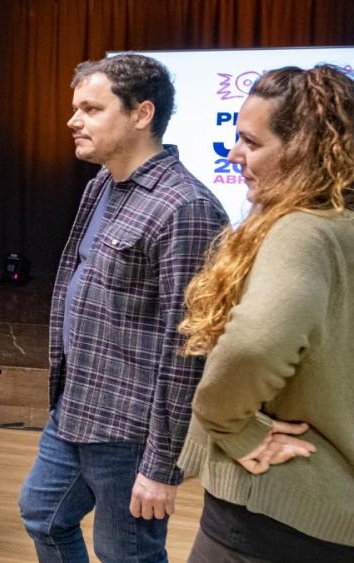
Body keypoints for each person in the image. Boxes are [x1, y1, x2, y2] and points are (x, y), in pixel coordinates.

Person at [19, 54, 228, 562]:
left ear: (141, 113)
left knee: (125, 555)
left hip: (130, 429)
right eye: (76, 108)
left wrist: (162, 465)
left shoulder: (186, 208)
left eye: (91, 109)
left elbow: (189, 347)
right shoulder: (102, 185)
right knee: (42, 515)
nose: (73, 120)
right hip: (76, 406)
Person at [177, 65, 354, 561]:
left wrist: (226, 423)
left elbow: (253, 345)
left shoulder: (304, 231)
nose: (234, 154)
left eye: (251, 142)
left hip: (272, 510)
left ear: (304, 151)